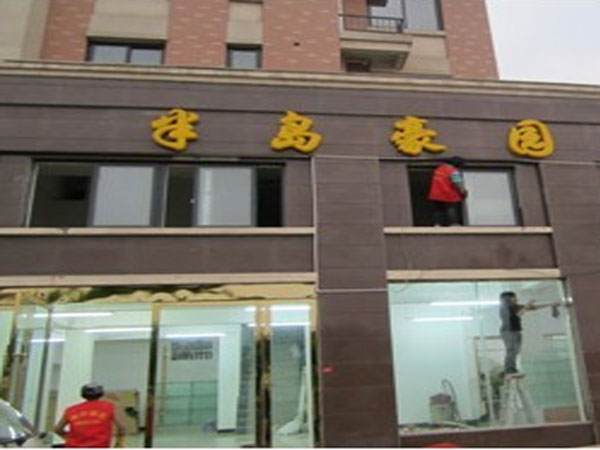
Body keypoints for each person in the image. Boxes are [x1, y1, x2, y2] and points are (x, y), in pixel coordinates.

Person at [499, 291, 560, 376]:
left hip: (514, 331)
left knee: (515, 351)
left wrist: (549, 304)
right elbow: (519, 314)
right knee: (511, 350)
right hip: (509, 331)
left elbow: (532, 308)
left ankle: (511, 368)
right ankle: (509, 369)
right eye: (514, 297)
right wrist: (528, 304)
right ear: (508, 298)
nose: (516, 299)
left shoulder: (513, 306)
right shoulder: (506, 307)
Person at [54, 383, 126, 448]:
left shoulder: (70, 410)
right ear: (101, 394)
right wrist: (118, 443)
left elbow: (57, 429)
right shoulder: (108, 407)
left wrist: (69, 438)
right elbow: (122, 428)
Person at [428, 156, 468, 226]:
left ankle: (437, 224)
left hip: (436, 193)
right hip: (448, 193)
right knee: (451, 208)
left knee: (438, 210)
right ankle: (453, 224)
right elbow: (457, 183)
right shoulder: (453, 171)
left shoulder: (439, 169)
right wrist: (463, 191)